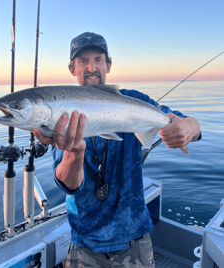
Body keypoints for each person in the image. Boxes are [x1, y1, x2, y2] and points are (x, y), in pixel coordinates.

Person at [33, 32, 201, 267]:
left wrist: (187, 127)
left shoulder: (133, 100)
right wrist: (74, 152)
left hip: (135, 238)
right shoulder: (63, 114)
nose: (91, 68)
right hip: (85, 243)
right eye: (83, 61)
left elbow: (192, 125)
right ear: (72, 68)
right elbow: (68, 185)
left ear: (108, 64)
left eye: (98, 59)